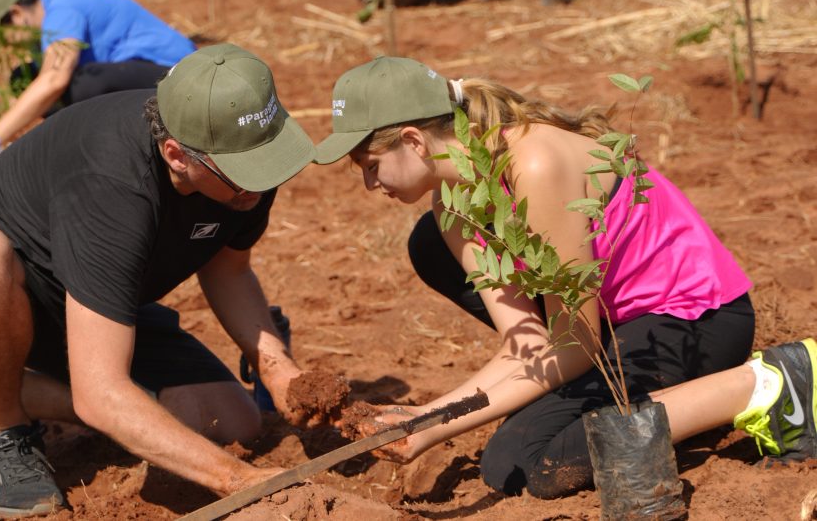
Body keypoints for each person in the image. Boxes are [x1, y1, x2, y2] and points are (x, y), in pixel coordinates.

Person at [314, 56, 816, 499]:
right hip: (612, 329)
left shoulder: (534, 164)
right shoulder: (450, 208)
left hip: (694, 320)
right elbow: (526, 345)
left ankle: (771, 383)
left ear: (413, 140)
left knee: (532, 461)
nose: (369, 184)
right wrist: (426, 418)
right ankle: (682, 405)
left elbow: (575, 344)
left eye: (370, 165)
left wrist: (435, 424)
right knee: (512, 459)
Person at [0, 43, 319, 516]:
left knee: (232, 420)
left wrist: (278, 370)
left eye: (267, 159)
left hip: (88, 298)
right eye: (244, 172)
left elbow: (229, 269)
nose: (261, 181)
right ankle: (6, 424)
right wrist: (238, 479)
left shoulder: (241, 160)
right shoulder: (114, 181)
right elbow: (100, 396)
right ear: (177, 155)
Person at [0, 0, 196, 171]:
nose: (4, 44)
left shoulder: (61, 11)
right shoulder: (45, 21)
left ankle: (111, 149)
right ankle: (86, 144)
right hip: (135, 75)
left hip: (178, 75)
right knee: (24, 77)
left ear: (16, 14)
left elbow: (54, 79)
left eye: (1, 36)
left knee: (83, 84)